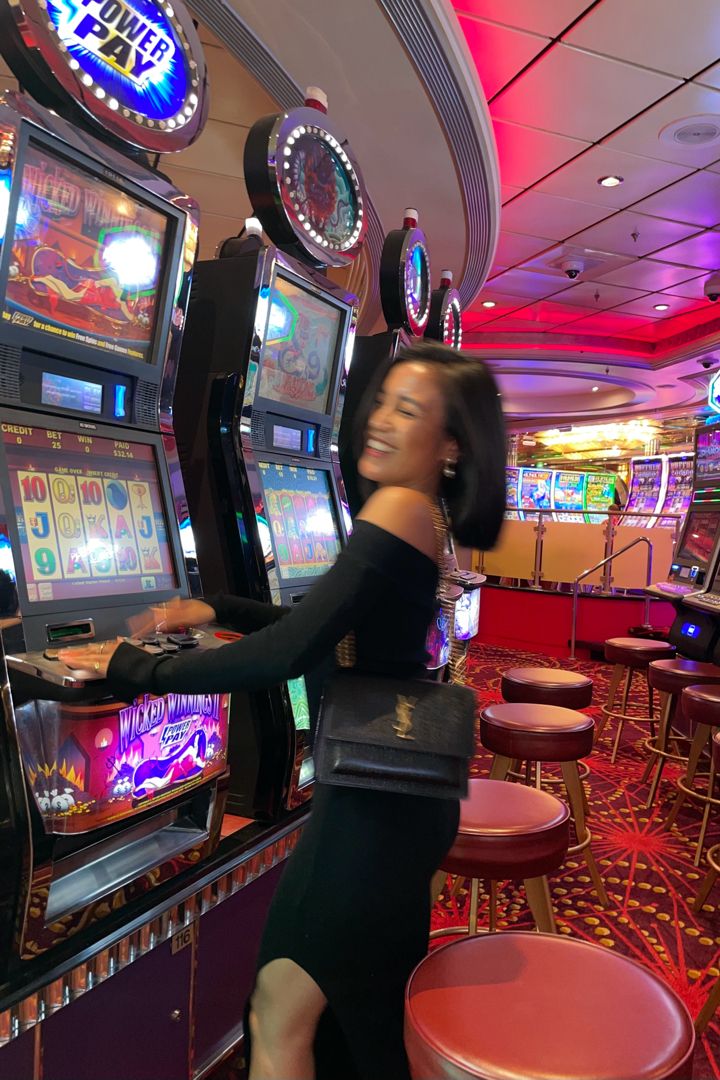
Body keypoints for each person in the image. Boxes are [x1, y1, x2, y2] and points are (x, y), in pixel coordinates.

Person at [59, 340, 507, 1080]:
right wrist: (218, 604)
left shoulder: (398, 507)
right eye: (383, 400)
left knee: (279, 1006)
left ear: (452, 444)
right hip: (400, 797)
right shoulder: (424, 512)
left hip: (372, 813)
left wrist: (134, 667)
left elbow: (286, 655)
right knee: (348, 1014)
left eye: (409, 409)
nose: (381, 420)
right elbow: (332, 630)